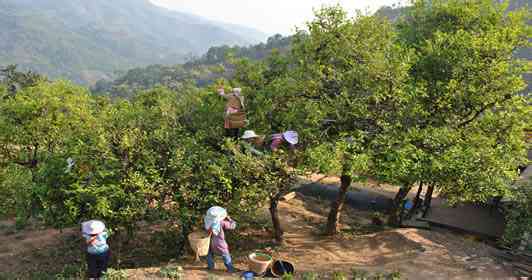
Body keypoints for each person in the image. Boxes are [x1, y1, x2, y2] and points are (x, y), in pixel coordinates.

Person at [204, 206, 237, 273]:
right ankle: (230, 268)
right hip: (219, 242)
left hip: (210, 241)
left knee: (209, 253)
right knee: (225, 254)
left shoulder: (208, 221)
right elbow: (232, 226)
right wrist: (230, 219)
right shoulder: (221, 222)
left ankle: (210, 266)